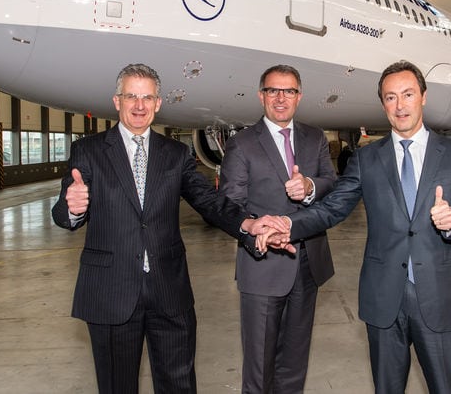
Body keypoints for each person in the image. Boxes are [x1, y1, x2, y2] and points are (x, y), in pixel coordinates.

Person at [51, 63, 287, 394]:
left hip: (168, 291)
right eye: (131, 96)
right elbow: (62, 214)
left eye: (147, 98)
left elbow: (209, 201)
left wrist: (248, 223)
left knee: (178, 384)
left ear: (158, 103)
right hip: (111, 291)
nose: (139, 105)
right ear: (117, 101)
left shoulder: (175, 154)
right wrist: (73, 208)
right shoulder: (89, 151)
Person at [260, 60, 451, 394]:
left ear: (423, 97)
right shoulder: (367, 158)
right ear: (383, 104)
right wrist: (289, 224)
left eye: (408, 94)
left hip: (441, 300)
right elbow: (332, 208)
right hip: (384, 301)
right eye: (391, 97)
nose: (400, 106)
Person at [219, 64, 337, 394]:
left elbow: (332, 183)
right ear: (261, 96)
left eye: (289, 91)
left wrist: (310, 186)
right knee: (259, 368)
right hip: (263, 264)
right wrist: (255, 228)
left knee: (295, 363)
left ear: (299, 97)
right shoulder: (242, 144)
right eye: (273, 90)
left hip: (308, 263)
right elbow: (230, 203)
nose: (281, 98)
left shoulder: (315, 138)